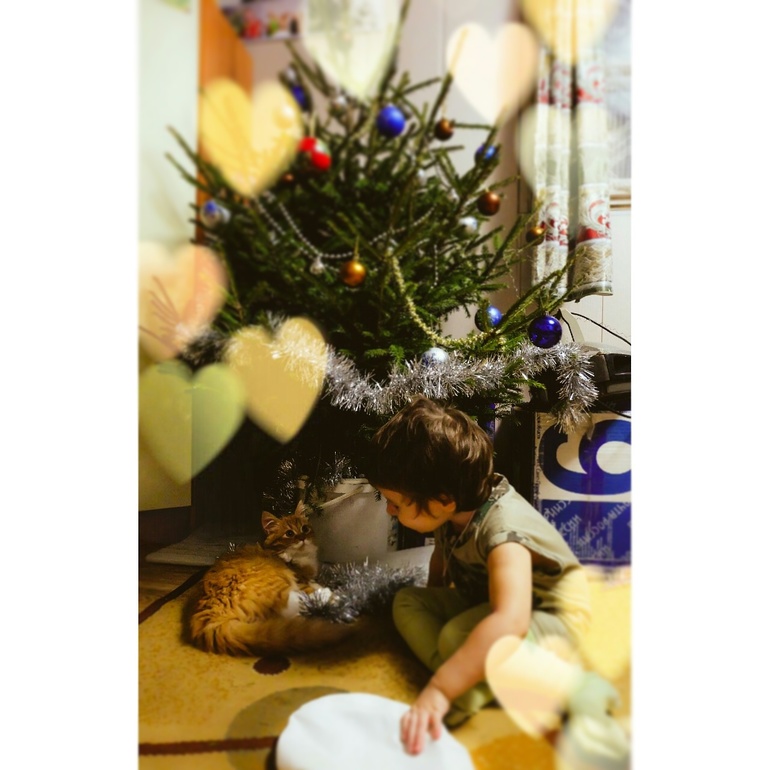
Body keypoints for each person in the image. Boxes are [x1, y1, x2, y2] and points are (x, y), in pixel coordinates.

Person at [365, 396, 594, 756]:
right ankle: (477, 675)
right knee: (407, 602)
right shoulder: (451, 508)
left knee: (454, 636)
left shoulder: (504, 531)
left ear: (443, 500)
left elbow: (510, 620)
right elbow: (442, 556)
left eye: (395, 502)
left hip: (552, 619)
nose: (390, 511)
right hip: (486, 600)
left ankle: (460, 695)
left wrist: (440, 688)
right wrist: (435, 596)